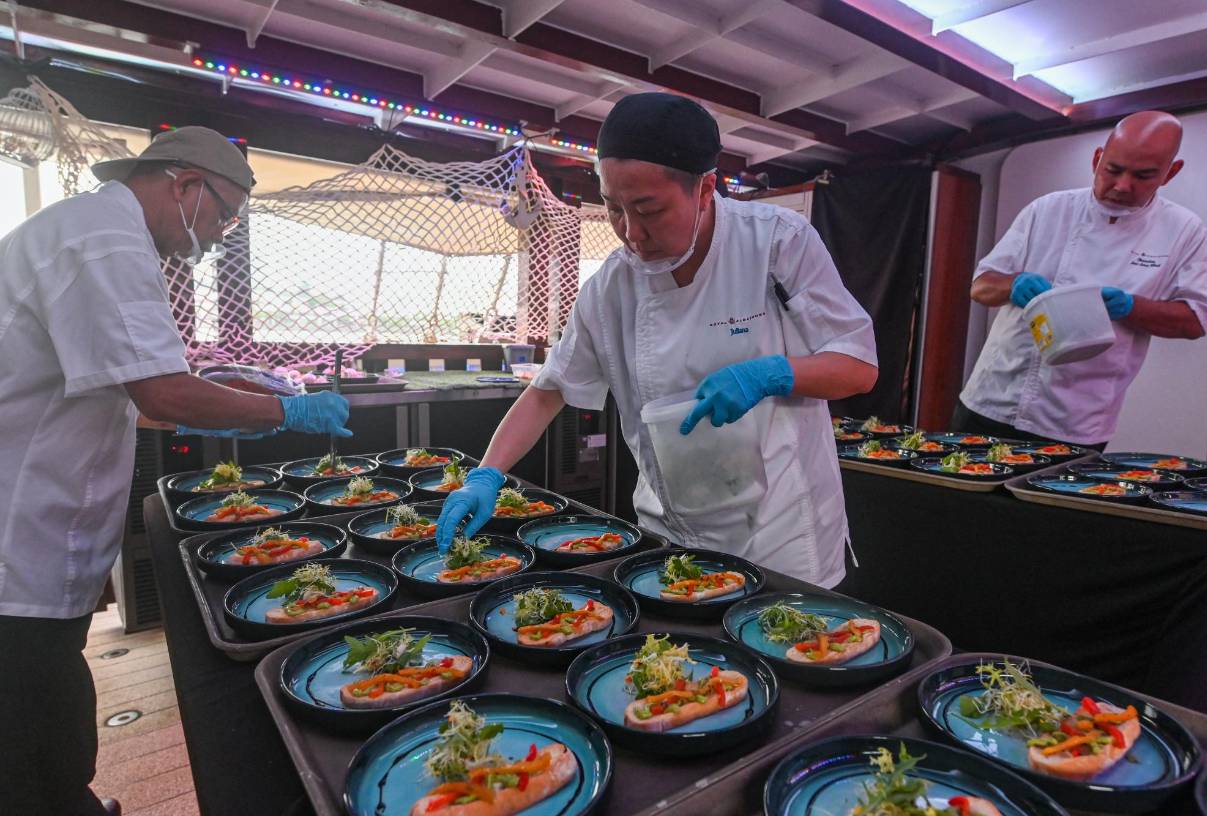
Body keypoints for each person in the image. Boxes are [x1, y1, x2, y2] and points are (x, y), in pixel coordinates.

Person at [0, 126, 351, 815]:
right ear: (183, 182)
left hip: (37, 522)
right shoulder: (106, 239)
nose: (220, 235)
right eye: (223, 213)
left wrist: (237, 401)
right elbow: (162, 392)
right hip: (18, 536)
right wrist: (287, 412)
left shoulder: (91, 226)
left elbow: (145, 397)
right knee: (27, 729)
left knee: (46, 713)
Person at [435, 92, 878, 588]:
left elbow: (857, 367)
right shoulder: (611, 287)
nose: (631, 233)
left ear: (706, 188)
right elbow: (548, 390)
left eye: (648, 209)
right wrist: (487, 475)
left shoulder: (776, 242)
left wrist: (773, 373)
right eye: (613, 208)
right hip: (669, 530)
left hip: (779, 534)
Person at [955, 111, 1207, 449]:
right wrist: (1014, 284)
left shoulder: (1184, 231)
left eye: (1143, 175)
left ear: (1171, 173)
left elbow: (1195, 320)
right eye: (1113, 169)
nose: (1123, 185)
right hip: (992, 397)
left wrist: (1129, 306)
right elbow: (981, 286)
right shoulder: (1048, 209)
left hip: (1077, 421)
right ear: (1097, 159)